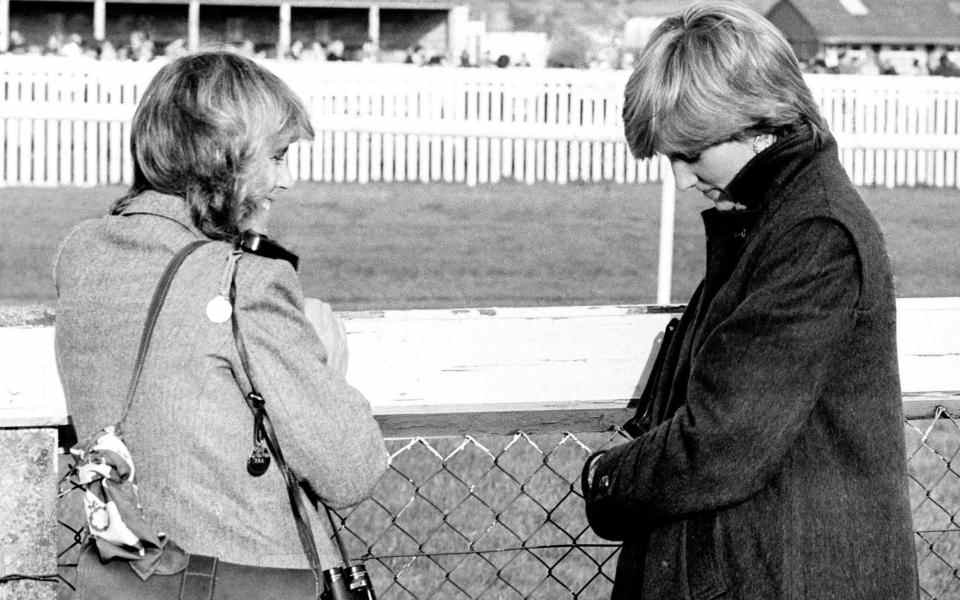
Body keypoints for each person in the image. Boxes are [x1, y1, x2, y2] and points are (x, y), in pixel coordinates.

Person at [580, 3, 918, 599]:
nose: (682, 181)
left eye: (691, 153)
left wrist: (606, 478)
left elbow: (722, 442)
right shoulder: (778, 219)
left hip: (791, 575)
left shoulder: (815, 234)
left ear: (756, 123)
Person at [54, 51, 388, 578]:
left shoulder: (84, 254)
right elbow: (350, 470)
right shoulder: (245, 281)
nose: (287, 181)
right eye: (276, 157)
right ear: (221, 157)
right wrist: (324, 365)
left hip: (131, 576)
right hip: (249, 576)